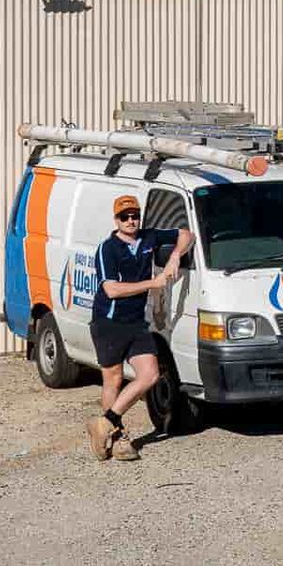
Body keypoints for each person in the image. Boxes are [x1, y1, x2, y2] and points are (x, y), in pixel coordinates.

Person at [88, 194, 193, 462]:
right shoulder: (107, 249)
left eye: (134, 215)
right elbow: (110, 290)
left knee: (150, 374)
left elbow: (185, 233)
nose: (131, 220)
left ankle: (106, 421)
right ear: (116, 220)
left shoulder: (148, 237)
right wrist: (153, 284)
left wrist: (175, 257)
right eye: (125, 217)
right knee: (112, 379)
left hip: (137, 322)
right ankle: (117, 436)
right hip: (109, 322)